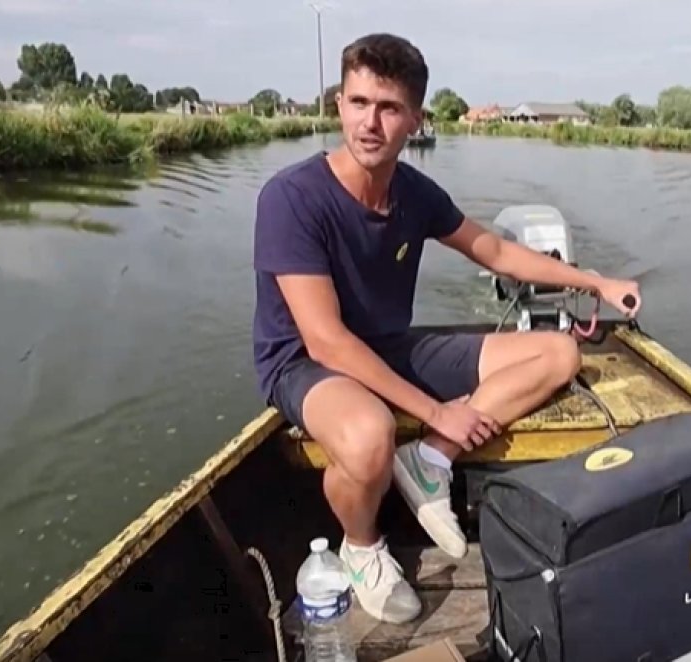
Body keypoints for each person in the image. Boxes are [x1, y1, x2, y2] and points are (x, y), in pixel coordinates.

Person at [252, 32, 642, 624]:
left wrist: (593, 281)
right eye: (357, 103)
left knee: (558, 354)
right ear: (338, 105)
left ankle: (429, 461)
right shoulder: (292, 199)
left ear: (415, 118)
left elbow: (495, 252)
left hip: (388, 348)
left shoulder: (414, 193)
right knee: (368, 435)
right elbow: (326, 339)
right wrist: (439, 410)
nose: (369, 123)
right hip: (305, 361)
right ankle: (362, 548)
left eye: (388, 108)